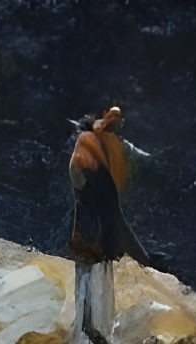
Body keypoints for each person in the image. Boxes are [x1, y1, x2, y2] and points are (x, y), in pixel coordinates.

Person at [68, 104, 149, 344]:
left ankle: (92, 326)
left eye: (119, 117)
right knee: (103, 236)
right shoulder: (90, 137)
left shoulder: (102, 141)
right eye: (112, 115)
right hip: (93, 186)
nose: (116, 120)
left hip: (93, 189)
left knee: (101, 234)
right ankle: (89, 327)